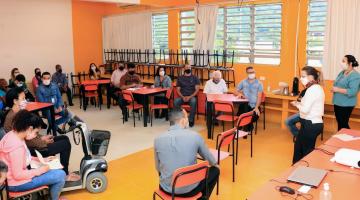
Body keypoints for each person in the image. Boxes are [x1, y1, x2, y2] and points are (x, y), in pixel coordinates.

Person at [4, 87, 79, 181]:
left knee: (64, 138)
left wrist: (42, 137)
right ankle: (65, 175)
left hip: (32, 143)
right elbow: (26, 140)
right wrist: (44, 142)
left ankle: (64, 172)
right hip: (30, 149)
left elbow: (30, 133)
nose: (26, 101)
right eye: (23, 99)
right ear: (15, 101)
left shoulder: (19, 113)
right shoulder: (14, 117)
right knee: (65, 144)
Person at [154, 108, 220, 199]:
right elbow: (210, 160)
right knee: (215, 170)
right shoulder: (195, 136)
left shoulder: (158, 140)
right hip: (190, 190)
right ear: (182, 120)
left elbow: (158, 168)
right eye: (187, 117)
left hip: (166, 189)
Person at [0, 110, 66, 200]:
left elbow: (25, 157)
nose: (35, 136)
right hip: (16, 184)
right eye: (36, 132)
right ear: (30, 129)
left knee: (53, 169)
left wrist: (42, 160)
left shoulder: (13, 134)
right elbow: (18, 175)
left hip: (11, 179)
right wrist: (41, 170)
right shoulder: (16, 147)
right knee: (61, 174)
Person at [291, 66, 324, 164]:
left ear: (311, 77)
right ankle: (295, 170)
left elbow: (305, 110)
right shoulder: (314, 88)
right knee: (299, 148)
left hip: (311, 124)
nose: (301, 79)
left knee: (306, 152)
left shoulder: (313, 90)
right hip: (309, 123)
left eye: (303, 76)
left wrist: (297, 104)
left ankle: (303, 173)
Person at [332, 55, 360, 131]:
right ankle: (340, 139)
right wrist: (334, 89)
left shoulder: (355, 76)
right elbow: (337, 83)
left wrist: (337, 89)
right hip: (337, 102)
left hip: (346, 104)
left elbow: (353, 91)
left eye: (344, 61)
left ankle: (351, 138)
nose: (341, 63)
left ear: (350, 63)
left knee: (343, 124)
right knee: (340, 124)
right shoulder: (342, 72)